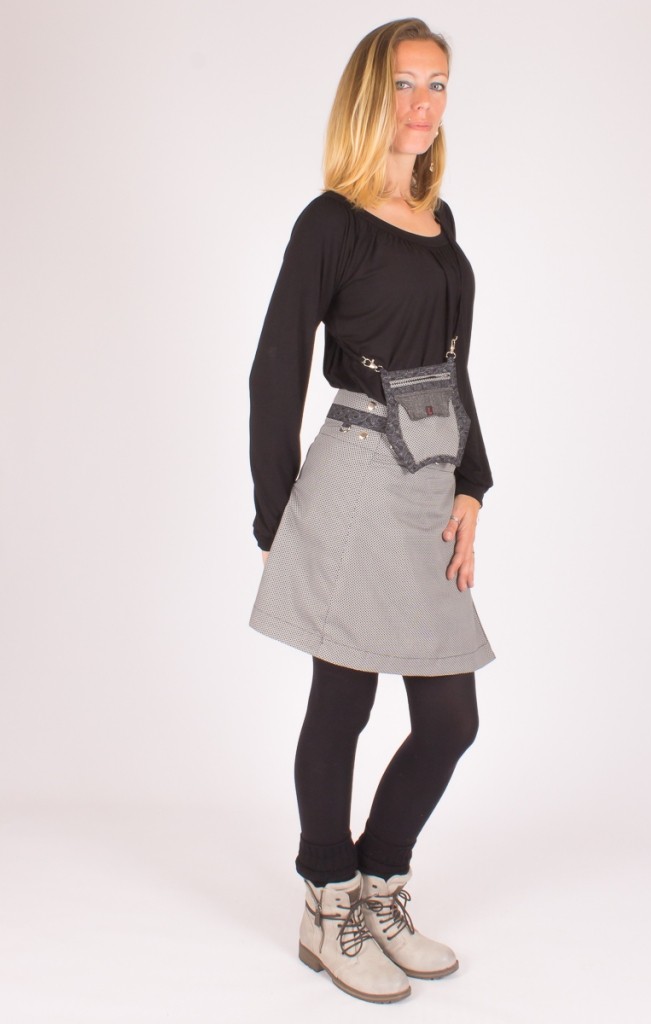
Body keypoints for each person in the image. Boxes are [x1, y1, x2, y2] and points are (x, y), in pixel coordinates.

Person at [247, 18, 495, 1004]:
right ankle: (326, 896)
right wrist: (278, 521)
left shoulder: (441, 223)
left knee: (450, 717)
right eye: (404, 84)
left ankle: (379, 878)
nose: (423, 104)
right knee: (343, 704)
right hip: (352, 478)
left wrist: (474, 484)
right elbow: (274, 370)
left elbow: (453, 372)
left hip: (429, 480)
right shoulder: (332, 222)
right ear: (368, 96)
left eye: (438, 85)